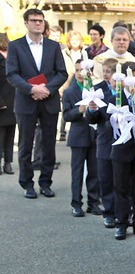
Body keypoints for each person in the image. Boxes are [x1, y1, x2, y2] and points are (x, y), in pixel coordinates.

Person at [6, 8, 69, 199]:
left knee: (49, 145)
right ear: (26, 23)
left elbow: (62, 73)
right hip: (26, 101)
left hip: (48, 101)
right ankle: (27, 183)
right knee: (26, 145)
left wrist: (47, 89)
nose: (38, 24)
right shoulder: (16, 46)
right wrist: (32, 89)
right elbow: (12, 74)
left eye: (41, 21)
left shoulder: (53, 46)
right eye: (34, 20)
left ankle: (46, 183)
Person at [88, 60, 135, 240]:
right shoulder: (113, 99)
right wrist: (92, 109)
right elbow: (98, 118)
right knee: (120, 187)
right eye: (132, 79)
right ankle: (120, 222)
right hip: (120, 149)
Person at [62, 59, 101, 217]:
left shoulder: (95, 90)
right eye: (77, 70)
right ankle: (76, 203)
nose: (80, 73)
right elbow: (66, 116)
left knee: (94, 171)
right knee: (77, 172)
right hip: (78, 136)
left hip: (94, 136)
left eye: (83, 71)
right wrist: (79, 110)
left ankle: (93, 202)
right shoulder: (69, 92)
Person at [90, 57, 118, 228]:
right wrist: (92, 110)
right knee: (106, 178)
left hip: (123, 140)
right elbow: (92, 118)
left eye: (112, 72)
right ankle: (109, 212)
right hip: (105, 138)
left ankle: (124, 212)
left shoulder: (125, 90)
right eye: (106, 71)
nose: (108, 75)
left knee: (122, 180)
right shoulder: (98, 89)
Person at [0, 33, 16, 175]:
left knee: (10, 135)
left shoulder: (11, 58)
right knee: (1, 135)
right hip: (2, 103)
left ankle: (8, 163)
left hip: (13, 102)